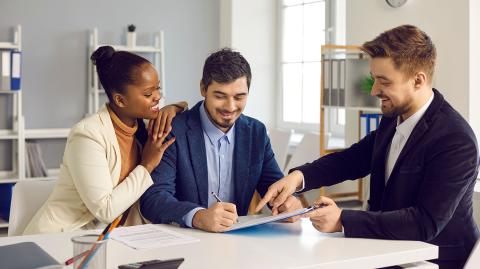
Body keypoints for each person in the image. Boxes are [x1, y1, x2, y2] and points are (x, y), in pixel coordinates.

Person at [256, 25, 479, 268]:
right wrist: (299, 177)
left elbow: (424, 222)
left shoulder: (456, 140)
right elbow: (352, 160)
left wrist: (343, 219)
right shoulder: (393, 118)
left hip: (433, 261)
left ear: (418, 80)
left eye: (383, 81)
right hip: (386, 249)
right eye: (373, 79)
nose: (374, 91)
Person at [23, 46, 187, 234]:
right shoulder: (87, 135)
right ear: (120, 100)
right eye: (148, 94)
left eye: (158, 88)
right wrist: (147, 165)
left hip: (118, 236)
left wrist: (175, 107)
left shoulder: (141, 126)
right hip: (64, 237)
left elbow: (188, 113)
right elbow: (105, 210)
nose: (158, 97)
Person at [140, 48, 302, 232]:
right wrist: (197, 216)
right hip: (183, 239)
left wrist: (288, 202)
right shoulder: (172, 129)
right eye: (220, 96)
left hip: (237, 241)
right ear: (203, 88)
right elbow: (153, 198)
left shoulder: (255, 132)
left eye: (239, 97)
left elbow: (273, 187)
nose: (230, 107)